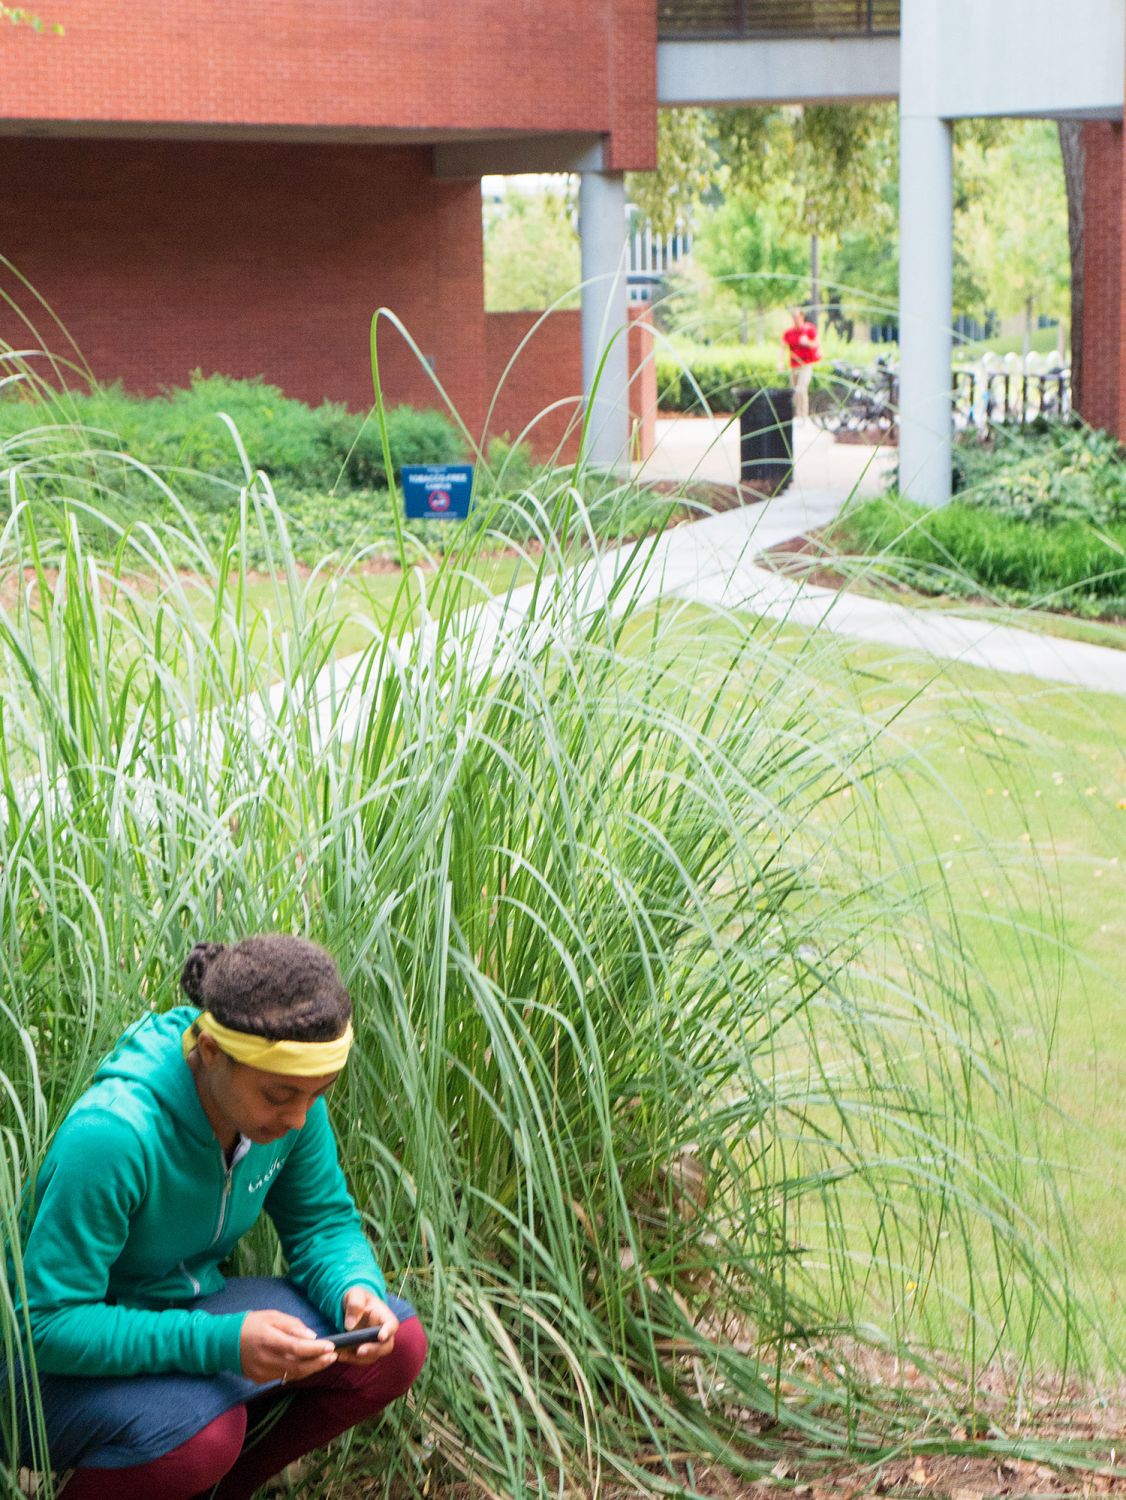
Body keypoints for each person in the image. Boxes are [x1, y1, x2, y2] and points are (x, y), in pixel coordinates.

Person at [7, 934, 427, 1499]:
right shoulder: (113, 1135)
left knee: (396, 1347)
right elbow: (46, 1326)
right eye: (280, 1096)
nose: (300, 1117)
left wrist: (354, 1289)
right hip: (36, 1374)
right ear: (209, 1050)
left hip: (183, 1309)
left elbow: (321, 1224)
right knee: (204, 1437)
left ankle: (214, 1492)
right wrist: (222, 1342)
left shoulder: (286, 1108)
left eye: (318, 1093)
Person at [781, 306, 822, 422]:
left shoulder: (809, 329)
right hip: (794, 365)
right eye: (793, 317)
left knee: (802, 389)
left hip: (805, 365)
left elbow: (817, 344)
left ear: (802, 317)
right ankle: (796, 414)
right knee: (794, 391)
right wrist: (780, 362)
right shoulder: (789, 332)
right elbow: (783, 348)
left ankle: (803, 416)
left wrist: (807, 342)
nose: (795, 319)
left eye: (797, 317)